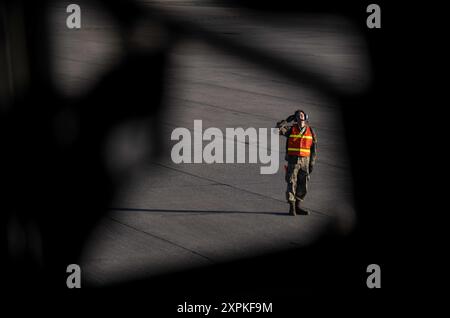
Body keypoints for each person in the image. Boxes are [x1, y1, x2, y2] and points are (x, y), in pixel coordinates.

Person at [276, 110, 317, 216]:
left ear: (306, 117)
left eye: (302, 114)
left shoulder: (311, 130)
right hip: (293, 161)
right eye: (298, 115)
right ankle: (292, 208)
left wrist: (311, 162)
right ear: (295, 118)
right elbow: (276, 130)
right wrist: (285, 121)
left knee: (303, 184)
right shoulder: (291, 129)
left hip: (305, 161)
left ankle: (298, 206)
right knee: (291, 183)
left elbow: (314, 149)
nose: (300, 116)